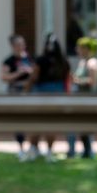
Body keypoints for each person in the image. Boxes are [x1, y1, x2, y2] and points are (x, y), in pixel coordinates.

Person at [24, 32, 71, 162]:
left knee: (36, 122)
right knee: (52, 123)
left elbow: (34, 77)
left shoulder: (41, 60)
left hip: (40, 94)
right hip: (58, 94)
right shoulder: (64, 62)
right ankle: (49, 152)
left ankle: (33, 149)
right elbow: (67, 80)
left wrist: (26, 90)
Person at [66, 36, 97, 158]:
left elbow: (93, 82)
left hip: (87, 100)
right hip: (78, 99)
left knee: (86, 125)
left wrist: (76, 80)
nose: (77, 50)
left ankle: (88, 152)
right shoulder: (82, 62)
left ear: (86, 49)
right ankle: (74, 151)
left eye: (79, 47)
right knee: (76, 125)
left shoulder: (92, 63)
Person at [1, 33, 34, 160]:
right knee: (19, 120)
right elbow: (4, 77)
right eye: (18, 44)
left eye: (23, 43)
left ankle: (33, 147)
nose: (22, 46)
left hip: (29, 91)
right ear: (13, 46)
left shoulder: (30, 58)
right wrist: (18, 73)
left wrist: (31, 72)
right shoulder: (9, 61)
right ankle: (21, 148)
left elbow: (37, 73)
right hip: (15, 91)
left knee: (32, 119)